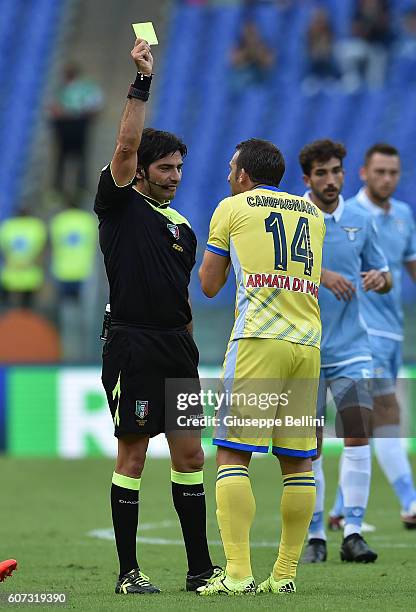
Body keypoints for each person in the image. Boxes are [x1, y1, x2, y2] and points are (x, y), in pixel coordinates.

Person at [93, 39, 218, 595]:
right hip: (133, 346)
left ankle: (199, 570)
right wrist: (141, 82)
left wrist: (190, 344)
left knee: (190, 453)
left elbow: (183, 298)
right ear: (139, 172)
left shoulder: (185, 229)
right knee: (135, 454)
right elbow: (124, 142)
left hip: (176, 348)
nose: (175, 176)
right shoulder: (119, 203)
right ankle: (128, 575)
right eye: (165, 168)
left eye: (179, 168)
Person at [198, 138, 326, 596]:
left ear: (244, 175)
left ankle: (237, 575)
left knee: (233, 455)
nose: (229, 176)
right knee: (298, 463)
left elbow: (210, 285)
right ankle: (285, 576)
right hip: (307, 344)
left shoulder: (231, 207)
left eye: (232, 168)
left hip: (258, 339)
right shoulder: (312, 214)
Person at [299, 139, 391, 564]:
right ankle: (315, 533)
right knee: (311, 443)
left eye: (336, 170)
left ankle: (353, 530)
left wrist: (378, 280)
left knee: (358, 430)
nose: (331, 180)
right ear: (307, 179)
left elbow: (384, 272)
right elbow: (276, 267)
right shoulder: (294, 217)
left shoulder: (359, 217)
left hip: (353, 345)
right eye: (322, 173)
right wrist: (324, 274)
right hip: (306, 346)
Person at [335, 144, 416, 529]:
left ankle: (338, 509)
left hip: (393, 330)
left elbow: (411, 267)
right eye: (380, 171)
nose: (387, 178)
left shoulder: (403, 215)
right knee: (385, 413)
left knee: (365, 422)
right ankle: (411, 500)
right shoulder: (346, 216)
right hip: (362, 333)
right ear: (364, 173)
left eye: (393, 172)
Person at [50, 198, 97, 361]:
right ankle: (86, 356)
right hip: (84, 274)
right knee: (86, 319)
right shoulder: (88, 221)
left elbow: (53, 246)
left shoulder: (58, 221)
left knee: (66, 319)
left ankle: (67, 354)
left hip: (62, 273)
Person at [49, 63, 103, 195]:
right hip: (70, 124)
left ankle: (76, 186)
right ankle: (67, 186)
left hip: (76, 123)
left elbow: (95, 104)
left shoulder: (82, 88)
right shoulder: (63, 89)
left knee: (74, 156)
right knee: (66, 156)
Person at [336, 0, 394, 90]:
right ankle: (351, 88)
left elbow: (386, 26)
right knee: (344, 50)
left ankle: (374, 92)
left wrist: (375, 19)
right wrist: (364, 27)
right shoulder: (359, 6)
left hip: (379, 46)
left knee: (378, 55)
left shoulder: (383, 5)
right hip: (361, 45)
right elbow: (354, 29)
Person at [0, 208, 47, 308]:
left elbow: (4, 252)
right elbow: (41, 253)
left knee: (8, 311)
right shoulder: (36, 226)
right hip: (30, 276)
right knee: (28, 311)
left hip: (11, 275)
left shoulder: (7, 226)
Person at [303, 7, 341, 94]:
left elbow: (329, 54)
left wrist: (323, 51)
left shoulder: (330, 35)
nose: (319, 23)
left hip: (330, 75)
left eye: (321, 20)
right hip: (313, 75)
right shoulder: (309, 36)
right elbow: (311, 55)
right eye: (317, 20)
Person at [230, 20, 275, 89]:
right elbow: (234, 62)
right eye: (248, 33)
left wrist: (258, 54)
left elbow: (269, 63)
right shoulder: (239, 49)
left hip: (259, 78)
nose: (251, 36)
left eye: (253, 33)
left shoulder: (262, 47)